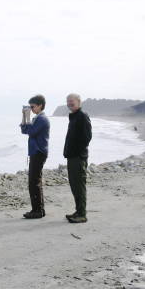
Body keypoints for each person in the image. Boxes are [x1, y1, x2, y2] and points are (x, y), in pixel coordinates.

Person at [20, 95, 50, 219]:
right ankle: (39, 210)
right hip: (36, 152)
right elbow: (24, 130)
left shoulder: (42, 119)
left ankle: (37, 211)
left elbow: (30, 131)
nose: (31, 109)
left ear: (40, 105)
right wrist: (24, 116)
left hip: (38, 152)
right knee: (35, 181)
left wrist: (27, 117)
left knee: (34, 182)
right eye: (30, 107)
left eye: (32, 107)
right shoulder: (37, 118)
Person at [63, 93, 92, 224]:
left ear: (79, 102)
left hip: (78, 157)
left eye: (72, 101)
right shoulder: (74, 117)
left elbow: (87, 138)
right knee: (74, 185)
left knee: (79, 186)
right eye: (68, 101)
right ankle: (78, 211)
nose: (69, 103)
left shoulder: (82, 116)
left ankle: (82, 214)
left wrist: (76, 152)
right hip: (72, 156)